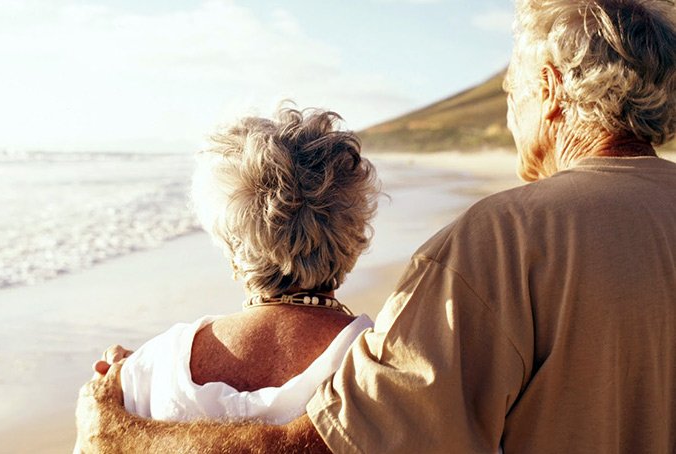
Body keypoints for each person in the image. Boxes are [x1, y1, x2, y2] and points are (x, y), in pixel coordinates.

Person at [76, 0, 676, 452]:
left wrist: (122, 434)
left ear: (548, 88)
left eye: (508, 90)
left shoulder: (501, 241)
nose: (510, 110)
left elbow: (324, 447)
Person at [74, 106, 377, 453]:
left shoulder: (148, 369)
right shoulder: (382, 365)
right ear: (352, 235)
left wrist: (140, 373)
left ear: (231, 242)